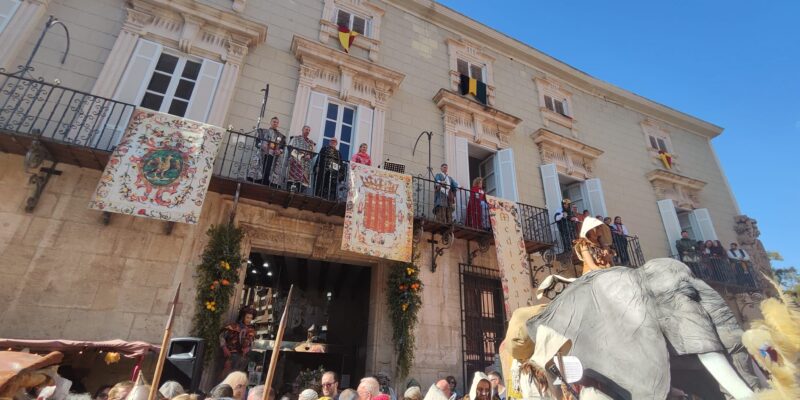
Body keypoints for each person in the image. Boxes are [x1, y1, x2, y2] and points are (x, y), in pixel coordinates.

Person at [219, 307, 257, 377]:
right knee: (226, 376)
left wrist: (248, 348)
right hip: (231, 356)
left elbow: (252, 342)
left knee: (237, 377)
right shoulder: (233, 326)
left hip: (243, 358)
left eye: (251, 318)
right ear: (243, 317)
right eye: (247, 317)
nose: (249, 320)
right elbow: (221, 336)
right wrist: (224, 348)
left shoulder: (251, 330)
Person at [248, 117, 286, 184]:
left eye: (277, 122)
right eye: (274, 122)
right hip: (262, 154)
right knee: (260, 169)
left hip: (273, 156)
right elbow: (257, 142)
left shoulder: (281, 136)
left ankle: (267, 183)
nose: (275, 123)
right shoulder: (263, 132)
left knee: (269, 170)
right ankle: (258, 181)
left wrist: (280, 151)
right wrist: (261, 145)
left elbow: (283, 148)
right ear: (270, 122)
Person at [287, 125, 316, 192]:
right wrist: (301, 155)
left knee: (302, 185)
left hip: (306, 164)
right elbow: (290, 149)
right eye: (306, 129)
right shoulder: (295, 138)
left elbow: (312, 153)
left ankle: (300, 192)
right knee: (293, 182)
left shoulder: (311, 142)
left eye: (309, 130)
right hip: (296, 162)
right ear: (302, 130)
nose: (307, 131)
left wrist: (310, 156)